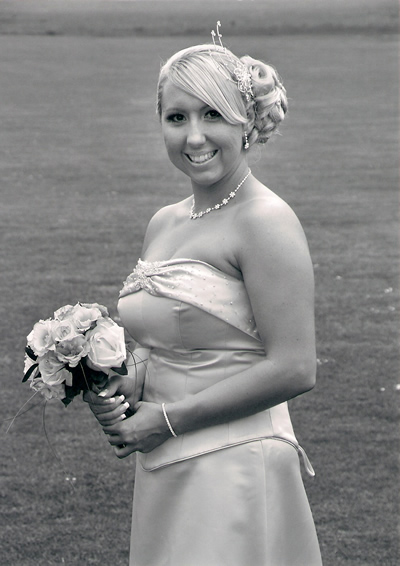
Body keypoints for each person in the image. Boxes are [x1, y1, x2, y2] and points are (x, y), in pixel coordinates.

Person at [85, 26, 322, 566]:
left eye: (212, 114)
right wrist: (124, 380)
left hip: (234, 466)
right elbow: (169, 343)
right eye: (177, 117)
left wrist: (167, 420)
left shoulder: (265, 221)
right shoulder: (164, 221)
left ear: (246, 122)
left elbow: (295, 367)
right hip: (166, 466)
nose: (194, 137)